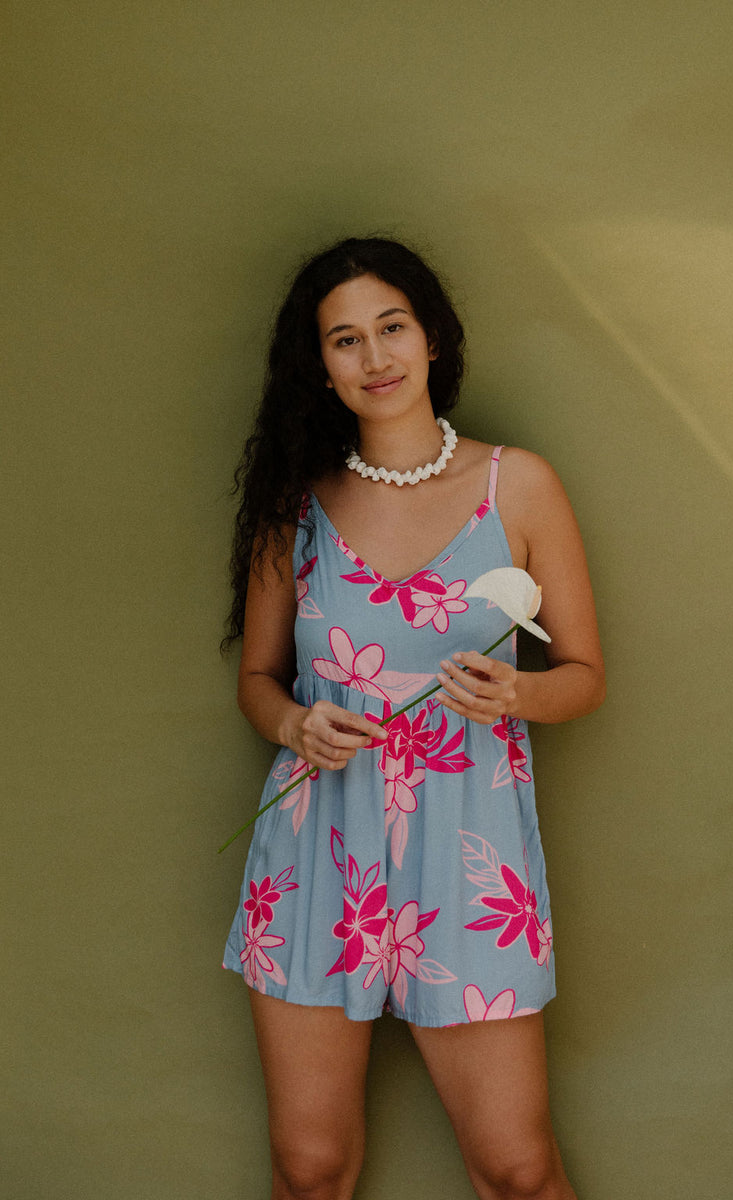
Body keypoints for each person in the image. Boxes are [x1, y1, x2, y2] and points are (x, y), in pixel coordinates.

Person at [222, 237, 605, 1200]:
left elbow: (586, 674)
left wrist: (518, 693)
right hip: (317, 848)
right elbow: (260, 680)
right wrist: (292, 727)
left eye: (391, 327)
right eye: (344, 340)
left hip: (470, 848)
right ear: (321, 367)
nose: (375, 356)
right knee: (310, 1167)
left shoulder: (517, 485)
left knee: (517, 1168)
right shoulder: (294, 503)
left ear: (432, 336)